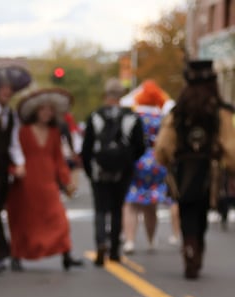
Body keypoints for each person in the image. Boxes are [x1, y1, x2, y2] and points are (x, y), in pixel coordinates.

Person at [155, 60, 235, 279]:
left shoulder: (177, 112)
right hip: (209, 169)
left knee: (186, 209)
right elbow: (230, 145)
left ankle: (189, 247)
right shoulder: (221, 111)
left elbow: (163, 145)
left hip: (183, 168)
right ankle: (197, 247)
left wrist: (166, 160)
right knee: (201, 212)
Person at [6, 90, 82, 271]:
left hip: (48, 182)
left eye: (50, 110)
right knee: (24, 221)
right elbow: (12, 154)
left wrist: (66, 181)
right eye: (43, 110)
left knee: (59, 218)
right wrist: (14, 169)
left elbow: (58, 159)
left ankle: (66, 253)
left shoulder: (54, 132)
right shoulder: (22, 132)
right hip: (26, 183)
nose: (47, 113)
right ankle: (17, 254)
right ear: (36, 111)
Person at [81, 79, 145, 265]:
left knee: (100, 208)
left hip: (99, 170)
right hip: (123, 170)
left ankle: (101, 241)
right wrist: (128, 161)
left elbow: (87, 147)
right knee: (117, 208)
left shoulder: (95, 116)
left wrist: (88, 168)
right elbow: (140, 146)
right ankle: (115, 249)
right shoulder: (131, 117)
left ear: (106, 95)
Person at [123, 82, 174, 255]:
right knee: (151, 205)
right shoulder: (162, 118)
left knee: (131, 203)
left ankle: (130, 240)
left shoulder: (133, 116)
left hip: (136, 160)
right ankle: (151, 240)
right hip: (157, 162)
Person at [0, 72, 27, 271]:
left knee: (0, 208)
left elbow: (14, 143)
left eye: (9, 89)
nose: (7, 92)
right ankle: (0, 251)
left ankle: (2, 251)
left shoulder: (11, 115)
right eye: (3, 89)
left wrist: (19, 163)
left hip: (2, 168)